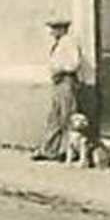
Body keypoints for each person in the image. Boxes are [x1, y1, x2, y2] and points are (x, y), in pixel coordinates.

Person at [30, 17, 81, 161]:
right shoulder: (59, 44)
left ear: (62, 29)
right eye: (52, 28)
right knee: (55, 116)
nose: (52, 32)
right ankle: (50, 149)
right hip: (58, 82)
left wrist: (60, 69)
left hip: (66, 81)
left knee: (67, 115)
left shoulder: (69, 43)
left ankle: (66, 151)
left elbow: (74, 64)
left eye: (54, 28)